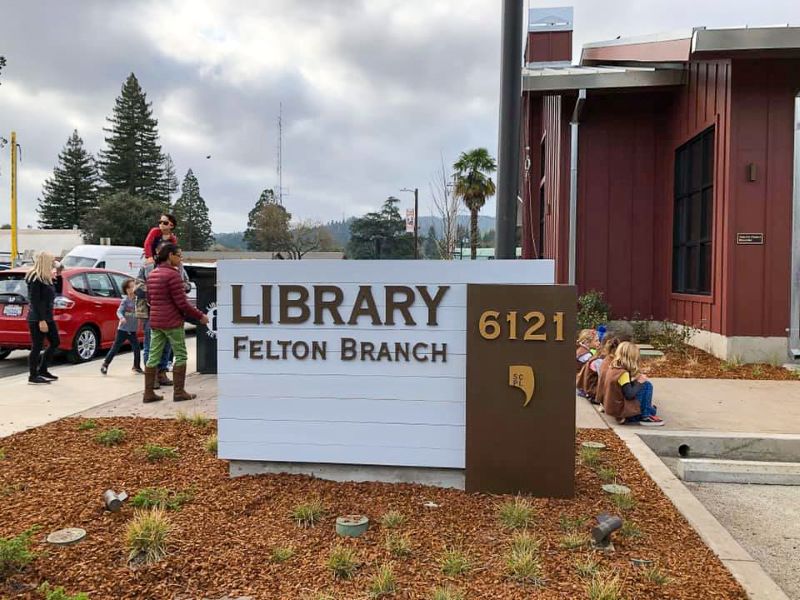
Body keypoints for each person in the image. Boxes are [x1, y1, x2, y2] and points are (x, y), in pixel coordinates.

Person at [143, 243, 208, 403]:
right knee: (181, 355)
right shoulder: (173, 275)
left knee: (153, 356)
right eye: (179, 255)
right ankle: (179, 392)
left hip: (156, 321)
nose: (180, 259)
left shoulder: (153, 274)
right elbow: (182, 303)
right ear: (170, 255)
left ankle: (148, 393)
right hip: (172, 322)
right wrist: (200, 316)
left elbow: (149, 299)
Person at [600, 341, 665, 427]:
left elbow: (622, 388)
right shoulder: (623, 374)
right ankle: (645, 416)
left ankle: (648, 410)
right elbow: (629, 394)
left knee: (650, 402)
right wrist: (639, 382)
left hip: (613, 407)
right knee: (647, 385)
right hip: (622, 411)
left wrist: (635, 380)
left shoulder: (614, 368)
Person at [135, 255, 174, 388]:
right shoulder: (147, 267)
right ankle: (152, 377)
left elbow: (185, 284)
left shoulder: (177, 267)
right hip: (149, 312)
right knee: (150, 344)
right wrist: (156, 290)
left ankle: (162, 372)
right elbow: (137, 288)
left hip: (169, 312)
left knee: (167, 343)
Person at [25, 252, 62, 385]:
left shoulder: (47, 277)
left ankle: (43, 369)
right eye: (52, 261)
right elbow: (36, 301)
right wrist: (41, 320)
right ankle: (33, 375)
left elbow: (57, 290)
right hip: (37, 318)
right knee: (37, 346)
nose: (54, 263)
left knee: (55, 342)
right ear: (46, 261)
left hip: (48, 316)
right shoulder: (35, 278)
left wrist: (57, 274)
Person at [100, 279, 142, 375]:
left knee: (137, 348)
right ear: (127, 290)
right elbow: (119, 311)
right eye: (132, 287)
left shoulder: (137, 300)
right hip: (122, 330)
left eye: (135, 286)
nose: (134, 288)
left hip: (132, 330)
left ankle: (136, 367)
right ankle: (105, 364)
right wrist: (122, 318)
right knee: (115, 348)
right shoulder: (125, 301)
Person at [578, 336, 621, 404]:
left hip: (592, 390)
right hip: (593, 391)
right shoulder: (600, 361)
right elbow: (604, 379)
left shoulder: (600, 359)